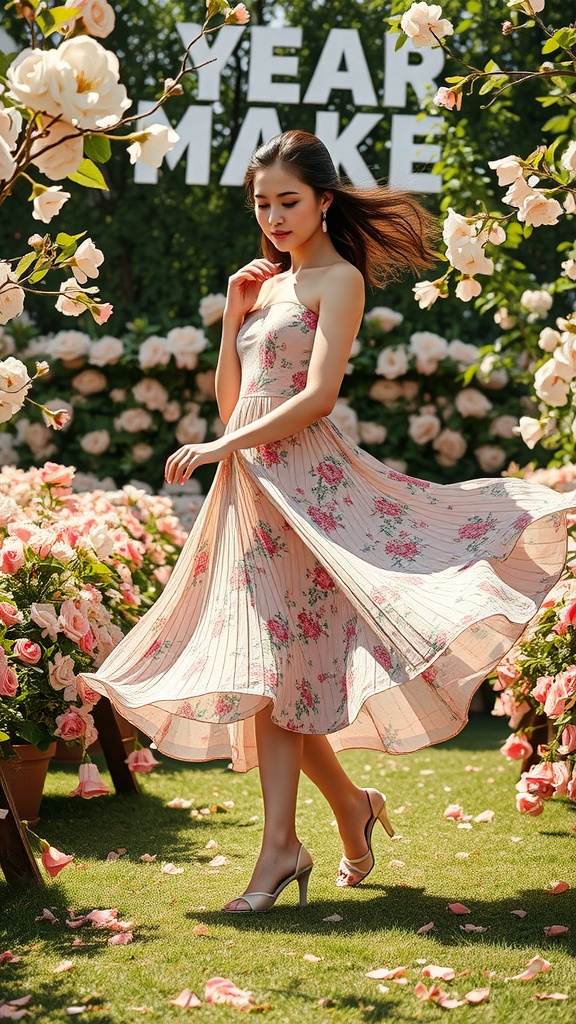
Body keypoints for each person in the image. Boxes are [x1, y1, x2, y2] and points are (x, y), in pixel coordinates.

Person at [83, 130, 575, 914]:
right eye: (261, 203)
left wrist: (216, 447)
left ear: (323, 202)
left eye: (288, 201)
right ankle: (341, 812)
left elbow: (314, 400)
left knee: (284, 675)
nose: (273, 217)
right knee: (280, 676)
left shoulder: (336, 280)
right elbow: (234, 402)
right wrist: (231, 321)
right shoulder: (268, 288)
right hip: (253, 493)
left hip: (311, 493)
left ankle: (289, 845)